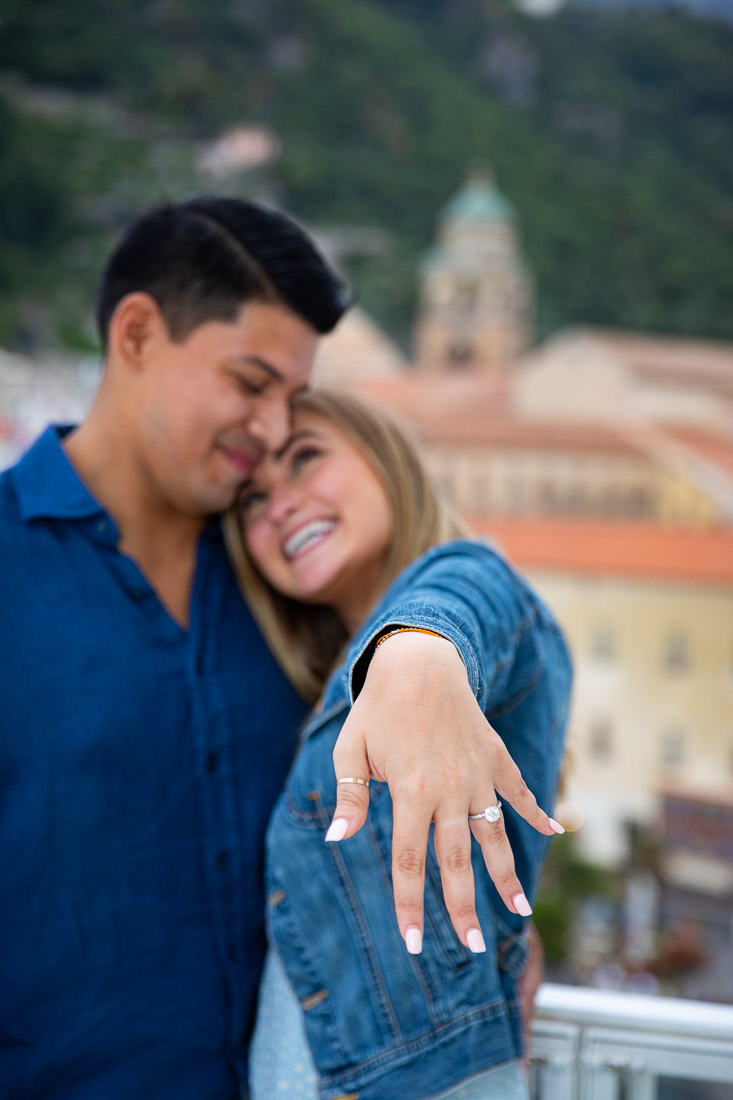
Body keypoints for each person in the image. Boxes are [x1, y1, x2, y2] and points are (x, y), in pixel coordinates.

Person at [1, 197, 559, 1100]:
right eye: (249, 382)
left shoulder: (286, 582)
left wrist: (499, 927)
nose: (267, 431)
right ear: (138, 334)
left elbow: (472, 597)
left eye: (291, 401)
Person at [229, 388, 572, 1100]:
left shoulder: (471, 582)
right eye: (251, 501)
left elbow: (463, 594)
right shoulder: (324, 692)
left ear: (386, 460)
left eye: (305, 459)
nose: (280, 503)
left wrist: (418, 651)